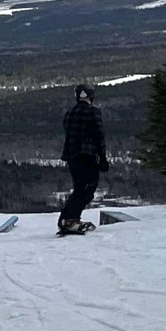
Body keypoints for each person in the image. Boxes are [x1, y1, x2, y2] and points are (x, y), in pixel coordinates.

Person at [59, 83, 110, 234]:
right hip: (87, 156)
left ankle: (67, 219)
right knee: (87, 189)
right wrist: (103, 158)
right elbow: (99, 136)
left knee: (79, 188)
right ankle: (69, 219)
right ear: (91, 96)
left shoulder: (70, 113)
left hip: (71, 157)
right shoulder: (93, 112)